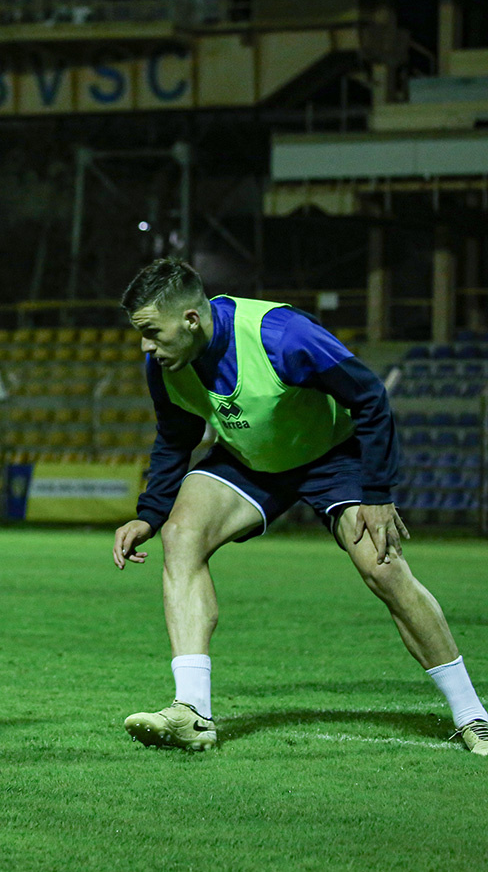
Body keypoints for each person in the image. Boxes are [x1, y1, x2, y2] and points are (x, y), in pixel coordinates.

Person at [112, 257, 487, 756]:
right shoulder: (166, 365)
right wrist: (149, 514)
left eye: (152, 333)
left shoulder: (281, 335)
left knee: (383, 569)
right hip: (250, 460)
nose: (146, 346)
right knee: (181, 536)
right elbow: (175, 436)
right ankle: (192, 712)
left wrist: (377, 495)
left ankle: (473, 716)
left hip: (332, 456)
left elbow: (370, 397)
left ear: (192, 319)